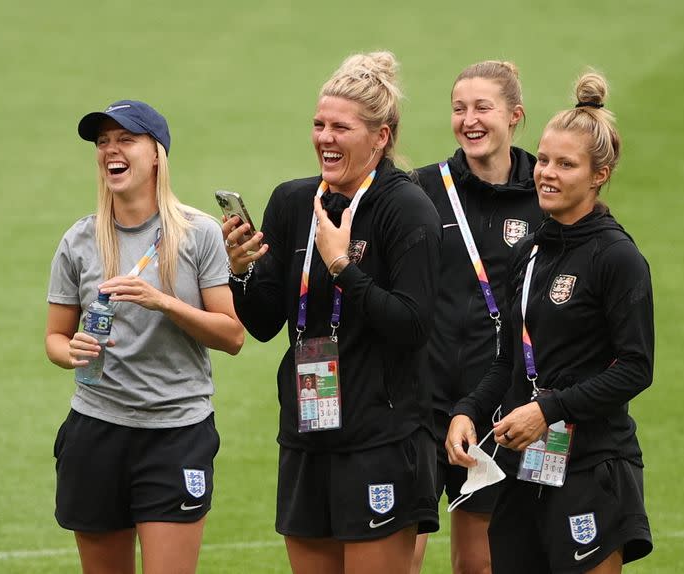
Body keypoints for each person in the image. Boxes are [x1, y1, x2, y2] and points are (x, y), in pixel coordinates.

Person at [223, 51, 442, 573]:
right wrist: (239, 273)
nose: (324, 137)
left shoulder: (406, 208)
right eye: (319, 125)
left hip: (380, 439)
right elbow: (264, 322)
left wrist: (343, 266)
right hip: (306, 432)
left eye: (340, 127)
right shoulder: (293, 203)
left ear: (381, 137)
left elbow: (412, 325)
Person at [446, 71, 654, 573]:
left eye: (566, 164)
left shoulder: (617, 257)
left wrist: (547, 410)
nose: (547, 173)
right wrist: (468, 410)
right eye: (542, 160)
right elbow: (508, 361)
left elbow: (635, 368)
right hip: (527, 473)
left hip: (592, 468)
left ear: (598, 174)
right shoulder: (531, 250)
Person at [45, 100, 244, 574]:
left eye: (125, 139)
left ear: (156, 154)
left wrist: (164, 302)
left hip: (176, 434)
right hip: (96, 429)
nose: (110, 150)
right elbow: (54, 337)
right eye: (102, 142)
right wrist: (69, 351)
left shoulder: (200, 234)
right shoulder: (79, 240)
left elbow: (232, 335)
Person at [411, 60, 543, 574]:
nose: (470, 119)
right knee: (402, 556)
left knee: (478, 563)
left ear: (515, 115)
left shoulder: (544, 192)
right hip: (422, 403)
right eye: (459, 108)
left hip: (498, 407)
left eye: (483, 107)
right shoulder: (421, 189)